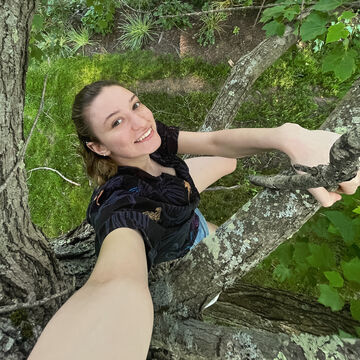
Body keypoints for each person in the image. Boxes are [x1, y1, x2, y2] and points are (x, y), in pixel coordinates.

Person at [28, 80, 360, 360]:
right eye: (117, 122)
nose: (141, 122)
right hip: (181, 237)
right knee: (212, 238)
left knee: (225, 161)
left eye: (136, 105)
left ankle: (188, 198)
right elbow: (116, 283)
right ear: (98, 147)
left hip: (179, 203)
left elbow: (213, 141)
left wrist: (288, 137)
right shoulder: (124, 206)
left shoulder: (153, 143)